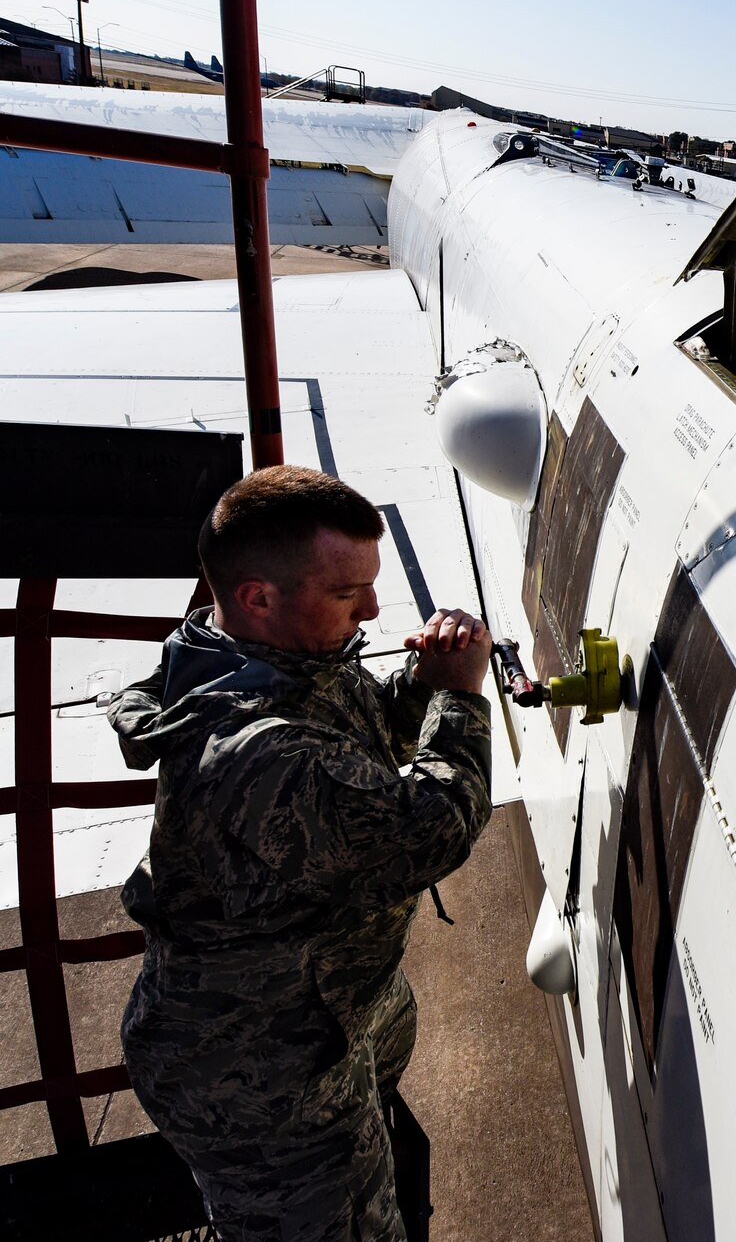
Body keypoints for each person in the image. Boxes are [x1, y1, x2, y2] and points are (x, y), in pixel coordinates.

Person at [115, 465, 494, 1240]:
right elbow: (428, 829)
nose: (374, 610)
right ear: (258, 595)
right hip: (260, 1081)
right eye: (348, 592)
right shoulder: (251, 747)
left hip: (321, 1018)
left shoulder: (271, 653)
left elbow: (358, 738)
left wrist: (421, 684)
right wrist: (459, 697)